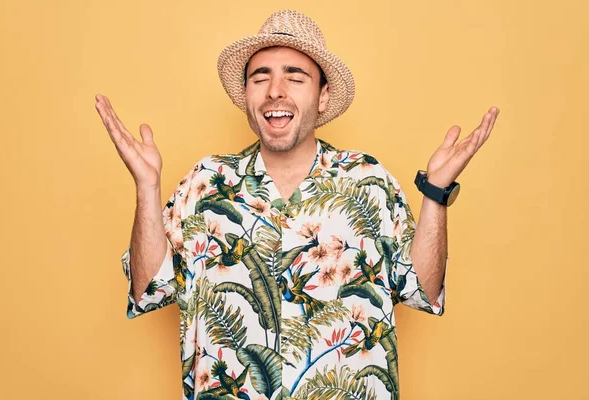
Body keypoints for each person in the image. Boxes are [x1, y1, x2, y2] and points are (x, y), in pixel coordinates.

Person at [95, 9, 499, 400]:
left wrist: (436, 194)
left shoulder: (368, 182)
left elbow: (423, 291)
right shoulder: (205, 182)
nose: (275, 90)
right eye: (261, 77)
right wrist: (146, 187)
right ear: (247, 96)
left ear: (323, 97)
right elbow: (148, 289)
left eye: (295, 76)